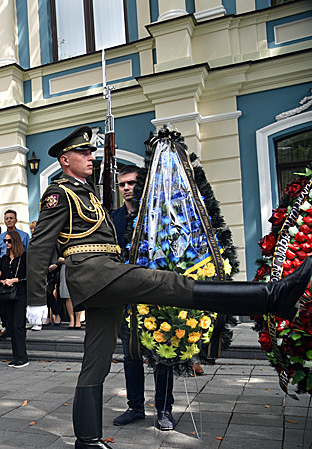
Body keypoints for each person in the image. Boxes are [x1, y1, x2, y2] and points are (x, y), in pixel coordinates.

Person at [27, 125, 312, 449]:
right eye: (83, 152)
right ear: (65, 160)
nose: (90, 156)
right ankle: (270, 298)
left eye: (92, 151)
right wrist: (35, 299)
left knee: (97, 361)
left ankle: (87, 440)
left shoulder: (86, 192)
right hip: (94, 274)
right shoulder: (58, 193)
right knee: (167, 284)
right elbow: (39, 246)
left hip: (104, 274)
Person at [109, 164, 176, 430]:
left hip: (156, 296)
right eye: (122, 184)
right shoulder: (114, 218)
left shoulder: (158, 215)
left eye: (132, 183)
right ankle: (135, 407)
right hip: (127, 298)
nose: (126, 188)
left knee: (162, 354)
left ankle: (164, 410)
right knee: (131, 356)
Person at [0, 230, 29, 367]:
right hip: (7, 294)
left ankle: (22, 356)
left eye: (9, 241)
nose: (6, 243)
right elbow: (0, 277)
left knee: (18, 325)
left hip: (19, 293)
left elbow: (27, 276)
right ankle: (16, 356)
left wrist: (13, 280)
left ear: (16, 242)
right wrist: (2, 279)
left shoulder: (24, 257)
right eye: (5, 241)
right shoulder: (5, 259)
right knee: (11, 326)